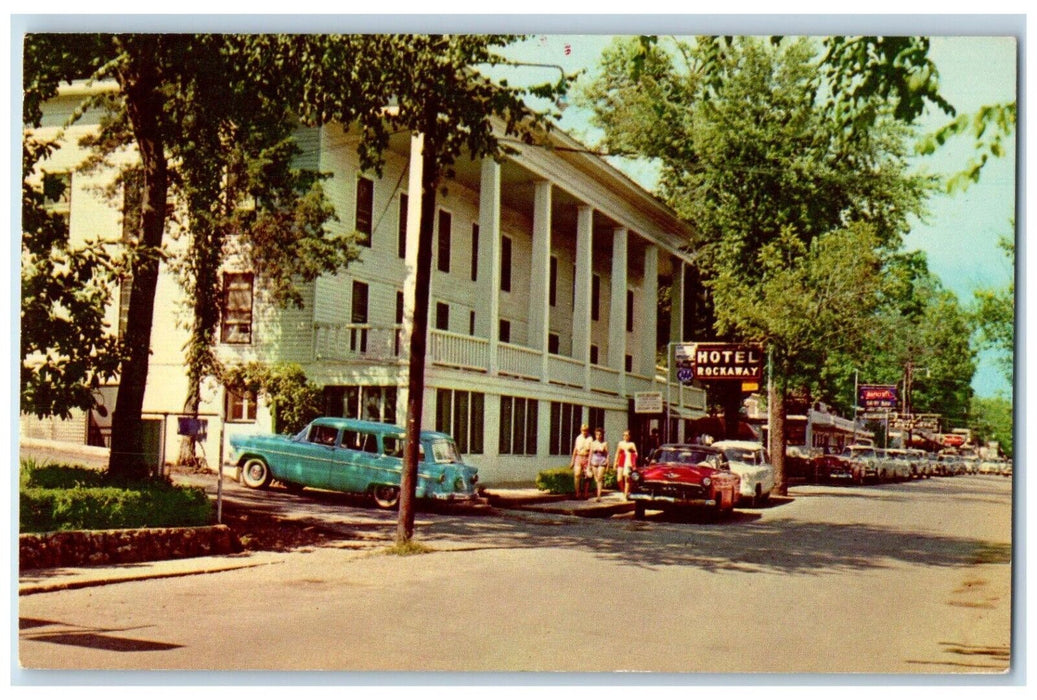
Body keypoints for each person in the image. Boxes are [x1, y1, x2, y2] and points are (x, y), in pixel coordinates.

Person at [614, 429, 639, 500]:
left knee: (627, 478)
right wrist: (615, 462)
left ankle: (625, 494)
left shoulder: (632, 444)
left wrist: (631, 453)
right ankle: (623, 491)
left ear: (629, 436)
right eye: (624, 435)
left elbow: (636, 454)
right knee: (619, 479)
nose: (625, 436)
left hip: (628, 462)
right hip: (621, 461)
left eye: (627, 435)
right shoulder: (620, 443)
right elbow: (617, 453)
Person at [570, 424, 592, 499]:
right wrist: (572, 460)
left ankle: (585, 493)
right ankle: (577, 493)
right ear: (581, 430)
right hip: (579, 457)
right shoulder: (578, 438)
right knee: (577, 474)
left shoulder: (590, 438)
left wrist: (589, 462)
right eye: (583, 430)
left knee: (587, 476)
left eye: (586, 430)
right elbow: (575, 449)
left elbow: (591, 451)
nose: (584, 432)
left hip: (586, 457)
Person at [589, 427, 610, 501]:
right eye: (597, 434)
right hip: (594, 461)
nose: (598, 436)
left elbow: (607, 454)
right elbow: (590, 454)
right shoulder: (593, 443)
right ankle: (597, 490)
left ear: (602, 435)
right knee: (596, 478)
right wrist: (589, 465)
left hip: (602, 461)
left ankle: (599, 496)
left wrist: (607, 464)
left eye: (600, 434)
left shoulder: (605, 443)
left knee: (600, 478)